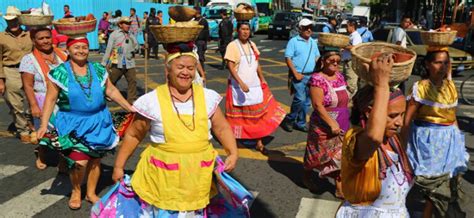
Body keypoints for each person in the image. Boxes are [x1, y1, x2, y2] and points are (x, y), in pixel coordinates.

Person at [111, 43, 240, 216]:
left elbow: (222, 128)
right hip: (163, 177)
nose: (186, 72)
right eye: (180, 67)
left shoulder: (207, 96)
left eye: (190, 68)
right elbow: (134, 135)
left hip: (198, 176)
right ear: (168, 71)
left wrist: (233, 152)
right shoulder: (152, 101)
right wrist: (119, 166)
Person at [37, 37, 134, 210]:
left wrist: (130, 107)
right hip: (72, 123)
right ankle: (76, 190)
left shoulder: (97, 69)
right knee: (78, 163)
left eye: (84, 47)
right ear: (68, 50)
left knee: (95, 161)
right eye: (76, 47)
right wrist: (44, 125)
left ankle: (90, 193)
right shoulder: (60, 72)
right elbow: (50, 99)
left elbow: (111, 90)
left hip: (98, 121)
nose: (81, 50)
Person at [337, 54, 413, 217]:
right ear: (370, 113)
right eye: (392, 116)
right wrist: (381, 85)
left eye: (402, 115)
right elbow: (374, 137)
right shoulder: (357, 140)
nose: (399, 122)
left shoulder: (393, 140)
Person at [404, 49, 469, 217]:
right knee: (427, 181)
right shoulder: (420, 87)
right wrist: (402, 143)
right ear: (427, 64)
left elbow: (452, 116)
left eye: (446, 62)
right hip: (427, 141)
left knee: (443, 182)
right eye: (438, 62)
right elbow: (407, 118)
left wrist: (458, 141)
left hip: (448, 140)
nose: (443, 66)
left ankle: (428, 213)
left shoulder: (451, 86)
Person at [224, 22, 285, 153]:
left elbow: (257, 64)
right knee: (240, 116)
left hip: (254, 85)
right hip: (238, 86)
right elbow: (230, 66)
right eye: (243, 29)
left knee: (258, 115)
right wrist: (240, 82)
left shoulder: (252, 45)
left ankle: (259, 142)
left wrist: (262, 78)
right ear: (237, 30)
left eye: (247, 29)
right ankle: (234, 140)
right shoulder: (232, 46)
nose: (245, 32)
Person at [20, 27, 68, 169]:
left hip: (63, 99)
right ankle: (41, 155)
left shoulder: (62, 55)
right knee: (44, 132)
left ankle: (63, 161)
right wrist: (34, 105)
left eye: (48, 37)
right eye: (41, 38)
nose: (45, 41)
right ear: (34, 41)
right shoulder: (29, 59)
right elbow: (28, 85)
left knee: (63, 132)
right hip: (42, 100)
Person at [303, 48, 349, 197]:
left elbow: (345, 99)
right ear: (323, 61)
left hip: (342, 122)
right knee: (316, 155)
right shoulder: (317, 79)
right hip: (322, 125)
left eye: (338, 61)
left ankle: (339, 185)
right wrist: (331, 123)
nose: (335, 63)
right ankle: (307, 176)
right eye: (332, 60)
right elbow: (317, 105)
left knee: (340, 155)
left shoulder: (340, 77)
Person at [0, 6, 34, 143]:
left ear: (19, 20)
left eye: (14, 20)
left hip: (29, 71)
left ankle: (32, 123)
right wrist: (1, 80)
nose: (12, 23)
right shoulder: (1, 37)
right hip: (10, 70)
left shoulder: (30, 35)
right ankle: (23, 129)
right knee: (15, 104)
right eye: (9, 21)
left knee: (34, 100)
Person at [281, 18, 321, 133]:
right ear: (301, 29)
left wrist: (318, 69)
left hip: (311, 75)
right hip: (299, 75)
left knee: (307, 102)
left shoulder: (313, 42)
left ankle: (301, 122)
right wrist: (295, 74)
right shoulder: (294, 41)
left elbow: (317, 56)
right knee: (300, 99)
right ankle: (290, 119)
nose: (309, 30)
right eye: (306, 28)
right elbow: (288, 58)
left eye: (311, 28)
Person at [102, 17, 140, 104]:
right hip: (117, 62)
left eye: (129, 24)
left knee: (132, 81)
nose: (128, 26)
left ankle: (131, 99)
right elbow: (108, 49)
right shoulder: (114, 35)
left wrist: (139, 48)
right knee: (112, 79)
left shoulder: (131, 35)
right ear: (120, 24)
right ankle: (107, 94)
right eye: (126, 23)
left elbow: (136, 46)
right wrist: (103, 63)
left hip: (129, 62)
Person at [342, 20, 362, 97]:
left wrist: (344, 46)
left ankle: (348, 100)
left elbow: (355, 48)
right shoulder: (351, 36)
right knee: (347, 82)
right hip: (347, 61)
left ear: (352, 26)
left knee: (351, 84)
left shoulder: (356, 36)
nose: (346, 28)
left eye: (347, 26)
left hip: (351, 62)